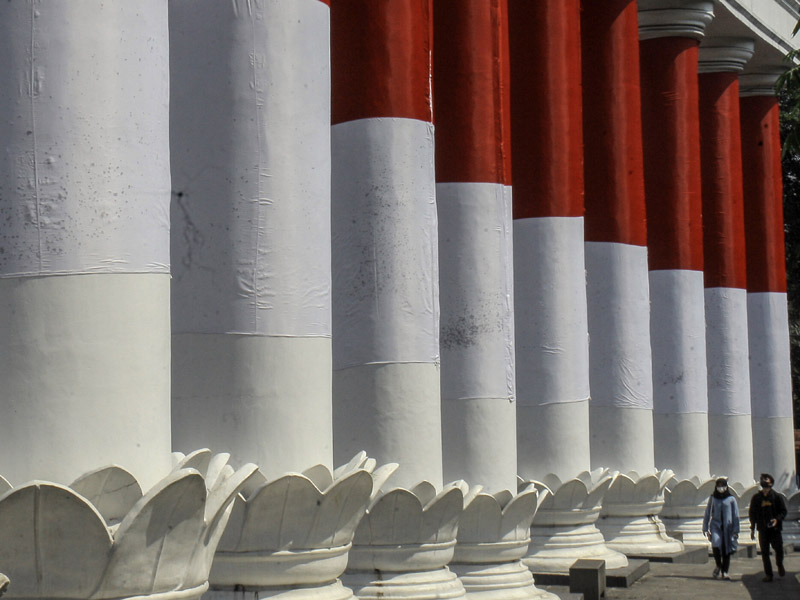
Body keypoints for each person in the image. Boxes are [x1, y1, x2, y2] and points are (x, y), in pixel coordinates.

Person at [748, 472, 788, 582]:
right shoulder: (756, 498)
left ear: (771, 485)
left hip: (775, 529)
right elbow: (752, 513)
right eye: (763, 486)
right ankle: (769, 574)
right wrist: (752, 528)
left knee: (778, 549)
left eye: (767, 486)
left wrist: (777, 519)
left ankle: (779, 564)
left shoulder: (777, 497)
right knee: (765, 553)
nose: (765, 489)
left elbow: (783, 511)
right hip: (763, 529)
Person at [702, 477, 739, 580]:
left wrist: (736, 530)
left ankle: (725, 572)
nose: (721, 488)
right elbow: (708, 512)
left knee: (726, 550)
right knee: (716, 545)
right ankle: (718, 565)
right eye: (719, 486)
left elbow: (735, 515)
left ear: (726, 487)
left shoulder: (731, 499)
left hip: (728, 527)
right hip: (716, 526)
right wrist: (705, 527)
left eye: (723, 486)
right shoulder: (713, 498)